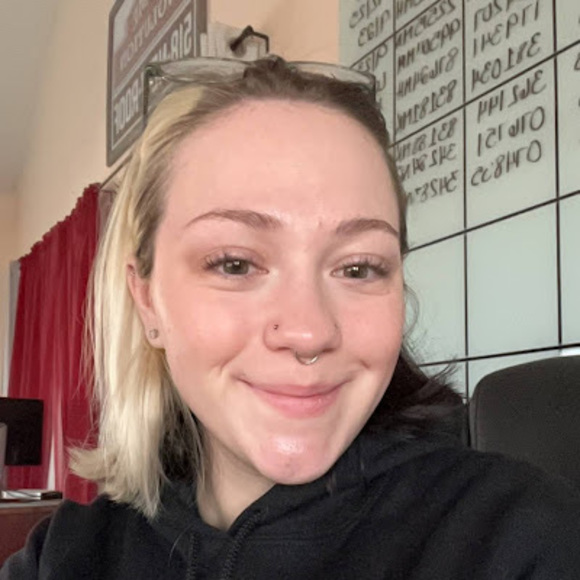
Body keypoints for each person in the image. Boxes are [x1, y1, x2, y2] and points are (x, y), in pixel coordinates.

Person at [2, 56, 579, 579]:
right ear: (147, 299)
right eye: (234, 263)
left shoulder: (523, 541)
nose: (309, 331)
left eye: (358, 268)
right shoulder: (65, 557)